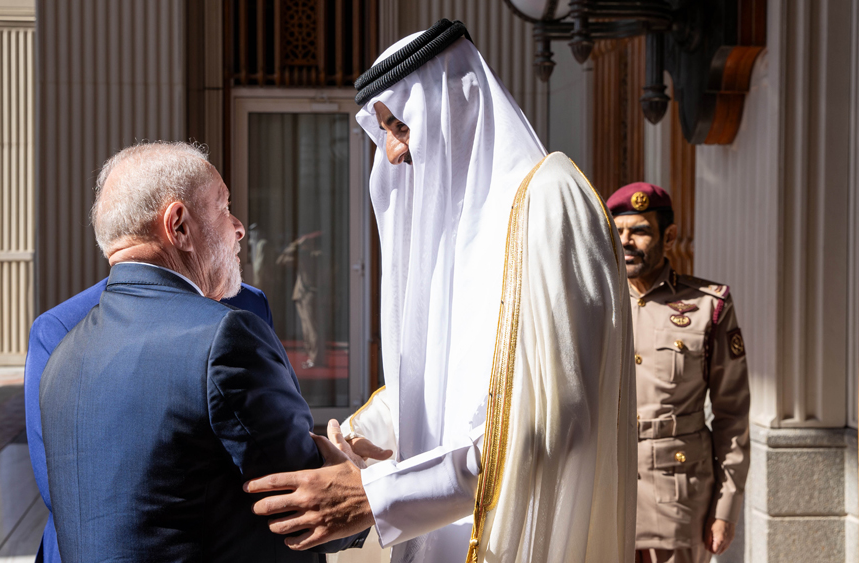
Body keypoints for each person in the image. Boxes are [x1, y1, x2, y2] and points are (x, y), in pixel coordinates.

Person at [246, 19, 637, 563]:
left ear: (460, 103)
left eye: (400, 126)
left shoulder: (550, 202)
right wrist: (353, 441)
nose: (391, 154)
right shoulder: (456, 234)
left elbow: (557, 420)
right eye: (381, 131)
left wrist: (378, 496)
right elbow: (440, 389)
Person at [39, 141, 367, 562]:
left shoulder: (66, 352)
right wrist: (353, 472)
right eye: (223, 206)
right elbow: (311, 513)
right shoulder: (224, 336)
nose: (239, 227)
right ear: (178, 225)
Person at [24, 279, 273, 563]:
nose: (240, 232)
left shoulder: (249, 303)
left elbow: (271, 423)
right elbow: (59, 481)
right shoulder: (61, 324)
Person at [607, 182, 750, 563]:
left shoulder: (708, 306)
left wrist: (726, 509)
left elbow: (732, 416)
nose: (626, 242)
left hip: (678, 499)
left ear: (668, 237)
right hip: (603, 495)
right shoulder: (592, 306)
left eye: (639, 231)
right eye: (617, 231)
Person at [277, 231, 326, 369]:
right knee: (306, 327)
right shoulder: (303, 255)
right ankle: (311, 355)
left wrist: (298, 244)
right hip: (301, 294)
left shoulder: (315, 255)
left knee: (313, 327)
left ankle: (316, 359)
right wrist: (296, 244)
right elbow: (281, 260)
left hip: (312, 294)